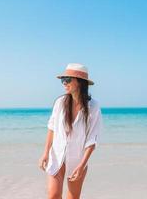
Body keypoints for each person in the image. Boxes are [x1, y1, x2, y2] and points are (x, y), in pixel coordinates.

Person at [38, 63, 103, 199]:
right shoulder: (60, 102)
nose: (64, 83)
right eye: (63, 80)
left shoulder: (93, 107)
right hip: (56, 156)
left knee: (73, 197)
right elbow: (52, 128)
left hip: (77, 159)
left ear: (80, 82)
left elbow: (92, 139)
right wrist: (45, 153)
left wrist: (82, 165)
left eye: (67, 80)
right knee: (53, 196)